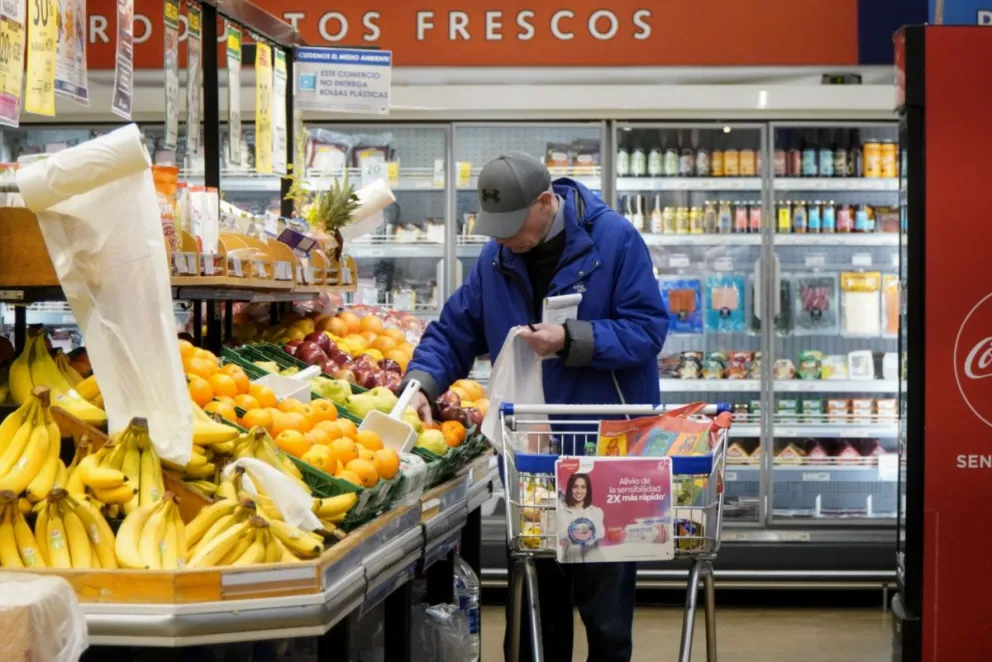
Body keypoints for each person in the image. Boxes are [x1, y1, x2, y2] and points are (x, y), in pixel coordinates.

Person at [401, 152, 669, 662]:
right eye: (494, 229)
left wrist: (572, 338)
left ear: (547, 203)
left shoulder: (614, 241)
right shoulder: (496, 259)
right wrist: (421, 382)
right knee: (534, 611)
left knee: (606, 615)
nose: (503, 239)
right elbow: (455, 330)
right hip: (534, 456)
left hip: (606, 451)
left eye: (511, 226)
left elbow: (647, 330)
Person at [558, 473, 606, 563]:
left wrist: (576, 530)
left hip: (594, 562)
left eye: (583, 487)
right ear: (570, 489)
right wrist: (585, 529)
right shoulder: (562, 512)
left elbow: (601, 533)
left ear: (588, 490)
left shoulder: (597, 511)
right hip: (571, 561)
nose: (579, 491)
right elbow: (562, 535)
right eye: (575, 487)